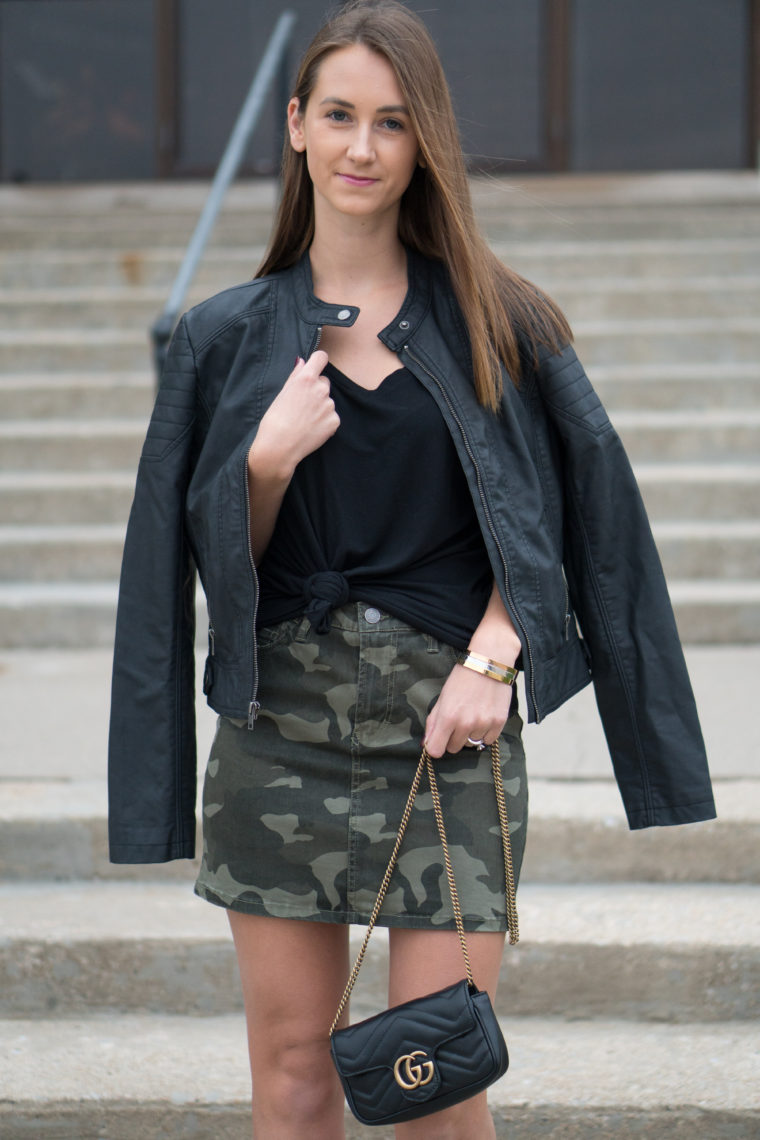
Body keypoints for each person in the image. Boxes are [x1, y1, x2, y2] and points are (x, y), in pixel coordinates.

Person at [108, 2, 716, 1136]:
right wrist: (262, 470)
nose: (360, 147)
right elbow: (183, 575)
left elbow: (560, 523)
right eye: (337, 115)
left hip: (453, 742)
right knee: (293, 1075)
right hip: (278, 738)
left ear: (422, 141)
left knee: (438, 1084)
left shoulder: (504, 321)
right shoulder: (221, 338)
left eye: (391, 123)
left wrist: (494, 659)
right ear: (293, 126)